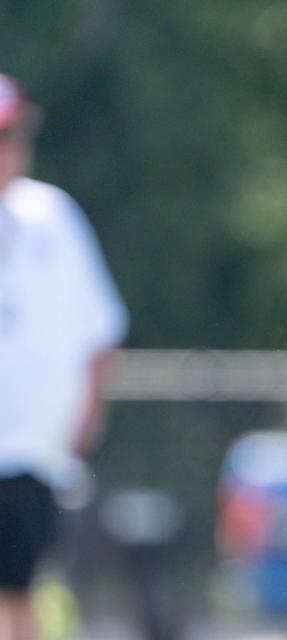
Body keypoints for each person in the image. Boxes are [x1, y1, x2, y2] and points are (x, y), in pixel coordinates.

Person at [0, 74, 128, 640]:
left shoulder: (52, 215)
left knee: (22, 592)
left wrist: (85, 421)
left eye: (14, 134)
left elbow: (100, 329)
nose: (12, 147)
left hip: (31, 454)